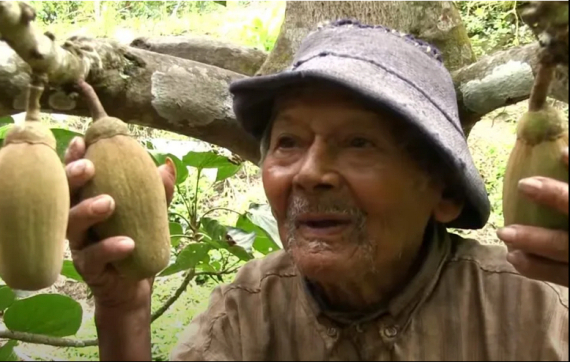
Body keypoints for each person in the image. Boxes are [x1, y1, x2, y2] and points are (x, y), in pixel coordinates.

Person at [64, 20, 568, 361]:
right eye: (288, 142)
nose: (309, 173)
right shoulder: (247, 311)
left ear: (443, 193)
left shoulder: (531, 311)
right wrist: (124, 308)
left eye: (358, 143)